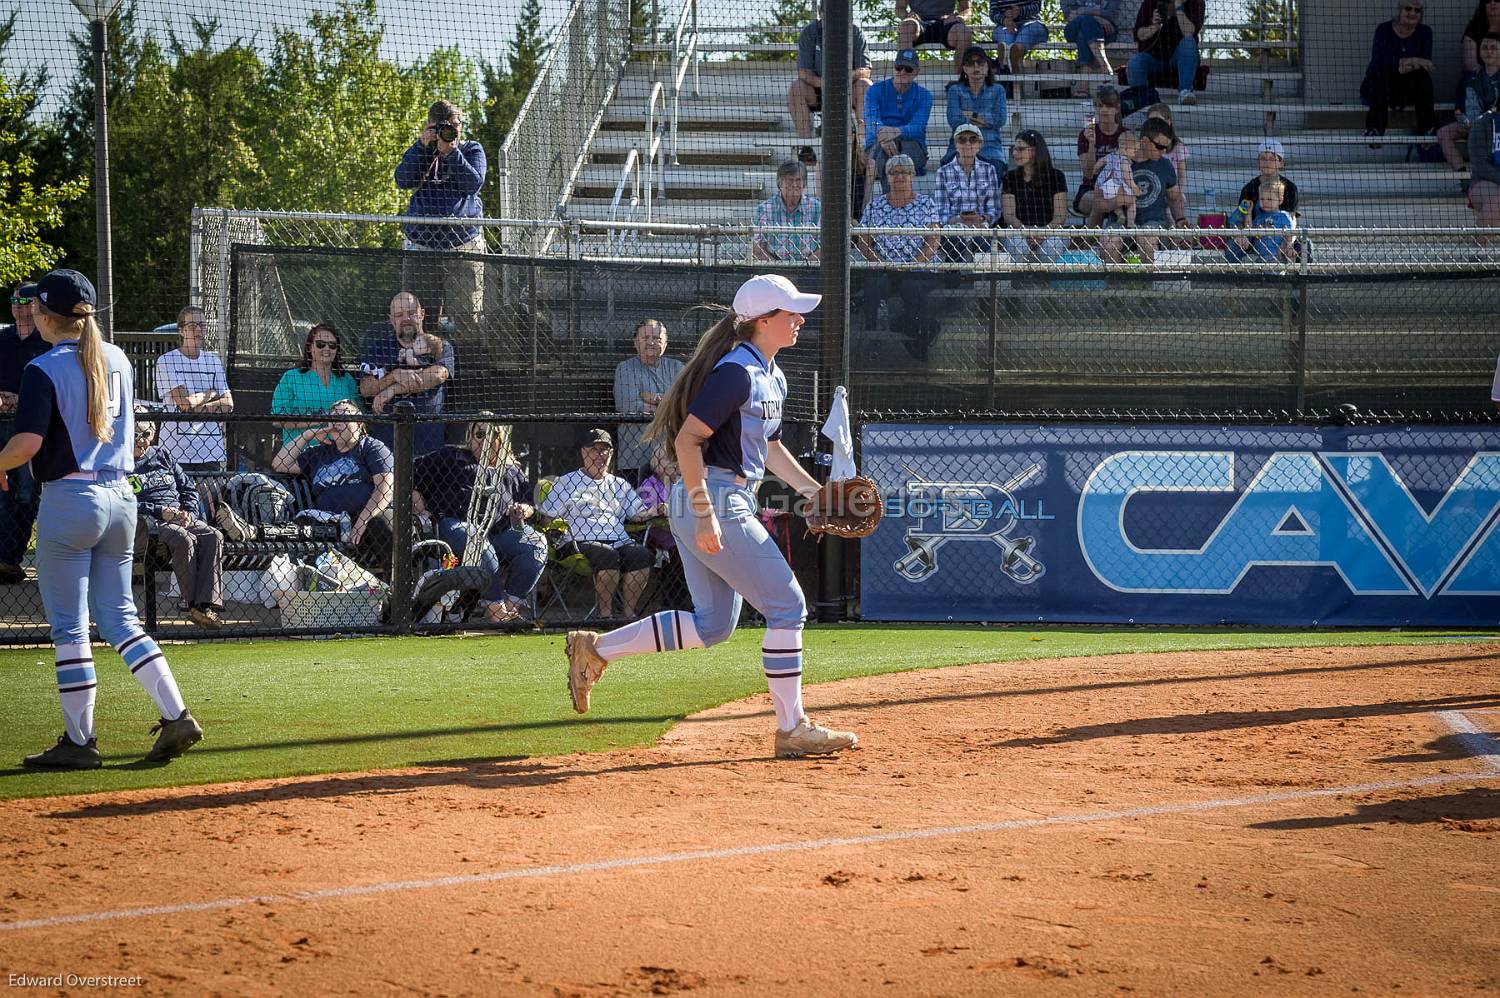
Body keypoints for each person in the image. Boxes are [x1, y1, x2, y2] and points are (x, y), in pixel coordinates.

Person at [562, 274, 858, 760]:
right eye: (790, 313)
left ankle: (595, 649)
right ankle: (792, 728)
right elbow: (687, 442)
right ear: (763, 321)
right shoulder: (736, 372)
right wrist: (705, 515)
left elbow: (772, 447)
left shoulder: (771, 374)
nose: (800, 319)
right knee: (787, 606)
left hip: (714, 498)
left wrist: (815, 492)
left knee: (713, 625)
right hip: (712, 498)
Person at [0, 269, 202, 769]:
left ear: (47, 317)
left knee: (70, 628)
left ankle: (80, 741)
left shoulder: (42, 367)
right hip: (121, 499)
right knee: (121, 620)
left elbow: (27, 445)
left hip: (71, 501)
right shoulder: (118, 358)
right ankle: (177, 714)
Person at [412, 419, 546, 623]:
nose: (486, 440)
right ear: (470, 437)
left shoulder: (512, 469)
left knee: (536, 544)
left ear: (502, 440)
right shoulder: (452, 457)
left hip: (501, 530)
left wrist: (522, 511)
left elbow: (529, 503)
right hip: (457, 525)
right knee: (479, 544)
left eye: (493, 435)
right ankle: (496, 610)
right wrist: (422, 511)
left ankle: (508, 608)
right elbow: (411, 477)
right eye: (480, 434)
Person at [539, 428, 664, 621]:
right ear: (583, 452)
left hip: (618, 540)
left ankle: (628, 615)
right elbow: (546, 517)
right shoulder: (566, 482)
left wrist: (657, 510)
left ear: (611, 453)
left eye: (605, 450)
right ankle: (605, 614)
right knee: (608, 555)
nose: (600, 455)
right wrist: (555, 527)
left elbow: (637, 514)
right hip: (578, 542)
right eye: (594, 449)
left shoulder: (619, 484)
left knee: (642, 556)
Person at [272, 400, 395, 578]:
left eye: (344, 417)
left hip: (368, 517)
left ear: (359, 424)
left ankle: (397, 589)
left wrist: (362, 522)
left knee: (384, 523)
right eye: (333, 418)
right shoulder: (320, 453)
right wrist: (307, 435)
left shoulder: (371, 447)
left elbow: (385, 488)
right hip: (328, 524)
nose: (337, 422)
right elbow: (280, 463)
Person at [395, 99, 486, 339]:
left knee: (467, 317)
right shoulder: (421, 150)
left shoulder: (471, 149)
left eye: (456, 126)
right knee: (419, 317)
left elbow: (473, 183)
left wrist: (452, 153)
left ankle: (468, 372)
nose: (451, 132)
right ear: (430, 126)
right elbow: (403, 180)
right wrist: (422, 146)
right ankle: (423, 369)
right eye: (443, 127)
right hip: (422, 245)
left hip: (463, 245)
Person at [130, 409, 224, 629]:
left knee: (213, 535)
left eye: (145, 434)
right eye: (134, 435)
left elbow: (188, 488)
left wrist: (190, 512)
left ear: (153, 433)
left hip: (178, 517)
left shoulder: (163, 455)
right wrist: (160, 511)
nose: (140, 441)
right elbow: (121, 501)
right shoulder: (118, 462)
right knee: (184, 538)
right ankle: (190, 604)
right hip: (144, 523)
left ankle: (204, 606)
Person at [857, 155, 942, 360]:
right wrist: (882, 263)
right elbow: (863, 242)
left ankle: (916, 340)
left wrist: (913, 264)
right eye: (894, 172)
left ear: (913, 175)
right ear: (887, 177)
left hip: (917, 267)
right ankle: (873, 338)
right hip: (883, 266)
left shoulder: (926, 204)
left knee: (913, 286)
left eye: (904, 172)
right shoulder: (874, 206)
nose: (899, 176)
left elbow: (933, 241)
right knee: (873, 285)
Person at [359, 291, 455, 456]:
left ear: (422, 314)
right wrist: (394, 375)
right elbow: (366, 388)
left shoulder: (438, 345)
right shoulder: (378, 348)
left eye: (411, 313)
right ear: (391, 319)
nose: (406, 319)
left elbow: (437, 375)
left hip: (430, 449)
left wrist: (392, 390)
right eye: (399, 314)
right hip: (385, 450)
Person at [0, 280, 48, 585]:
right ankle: (5, 559)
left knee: (27, 493)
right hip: (1, 424)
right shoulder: (2, 338)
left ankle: (12, 556)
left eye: (27, 302)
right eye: (16, 302)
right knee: (2, 494)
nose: (21, 307)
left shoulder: (45, 341)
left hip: (29, 426)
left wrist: (20, 398)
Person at [1099, 117, 1187, 264]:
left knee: (1146, 236)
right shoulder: (1116, 163)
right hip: (1120, 223)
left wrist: (1180, 219)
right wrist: (1118, 201)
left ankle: (1147, 283)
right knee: (1109, 241)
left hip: (1154, 223)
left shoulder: (1165, 165)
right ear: (1144, 141)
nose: (1164, 151)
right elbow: (1098, 204)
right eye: (1159, 146)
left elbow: (1174, 197)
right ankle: (1116, 284)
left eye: (1166, 147)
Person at [154, 305, 233, 472]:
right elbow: (184, 403)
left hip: (210, 450)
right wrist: (210, 394)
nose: (198, 330)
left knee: (211, 497)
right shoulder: (167, 360)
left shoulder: (214, 362)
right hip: (175, 451)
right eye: (192, 326)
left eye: (202, 325)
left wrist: (199, 405)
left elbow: (228, 403)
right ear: (181, 331)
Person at [790, 16, 873, 165]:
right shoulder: (810, 31)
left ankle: (864, 146)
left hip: (848, 88)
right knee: (797, 87)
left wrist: (846, 78)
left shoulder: (855, 32)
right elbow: (803, 72)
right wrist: (825, 82)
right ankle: (806, 147)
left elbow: (865, 70)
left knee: (865, 85)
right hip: (819, 88)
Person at [614, 319, 686, 485]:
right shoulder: (625, 368)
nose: (651, 342)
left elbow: (685, 404)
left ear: (666, 343)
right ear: (635, 341)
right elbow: (628, 405)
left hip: (672, 461)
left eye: (657, 338)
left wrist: (652, 398)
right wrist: (669, 405)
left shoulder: (678, 368)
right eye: (645, 338)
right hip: (635, 458)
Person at [270, 323, 364, 447]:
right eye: (320, 344)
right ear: (309, 347)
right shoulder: (291, 377)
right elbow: (278, 419)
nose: (327, 349)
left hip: (340, 452)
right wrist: (319, 421)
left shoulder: (347, 380)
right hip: (300, 451)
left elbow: (359, 415)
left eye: (332, 345)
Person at [1360, 0, 1436, 141]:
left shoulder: (1425, 32)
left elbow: (1426, 64)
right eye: (1408, 8)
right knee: (1379, 77)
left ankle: (1427, 130)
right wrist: (1412, 61)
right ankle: (1375, 130)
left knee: (1423, 78)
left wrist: (1404, 62)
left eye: (1417, 10)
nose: (1412, 13)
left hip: (1407, 88)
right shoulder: (1383, 30)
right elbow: (1377, 63)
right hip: (1380, 85)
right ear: (1400, 11)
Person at [865, 49, 934, 191]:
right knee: (886, 155)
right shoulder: (875, 90)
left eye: (908, 69)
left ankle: (888, 205)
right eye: (899, 67)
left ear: (916, 72)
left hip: (913, 146)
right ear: (893, 67)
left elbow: (918, 127)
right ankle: (892, 204)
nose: (902, 72)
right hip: (878, 143)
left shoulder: (924, 95)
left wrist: (895, 132)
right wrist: (884, 135)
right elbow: (872, 121)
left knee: (895, 159)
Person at [1001, 129, 1070, 262]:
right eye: (1014, 149)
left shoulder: (1056, 177)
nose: (1015, 153)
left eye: (1020, 149)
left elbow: (1060, 216)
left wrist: (1043, 233)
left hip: (1051, 230)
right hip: (1018, 230)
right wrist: (1027, 232)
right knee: (1018, 247)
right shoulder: (1010, 178)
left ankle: (1045, 282)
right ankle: (1017, 282)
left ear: (1034, 151)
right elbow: (1009, 216)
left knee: (1051, 248)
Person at [1439, 34, 1500, 182]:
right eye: (1485, 47)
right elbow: (1460, 109)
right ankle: (1464, 177)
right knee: (1443, 133)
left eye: (1493, 48)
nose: (1489, 51)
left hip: (1497, 127)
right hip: (1474, 125)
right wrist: (1467, 122)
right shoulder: (1471, 79)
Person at [935, 123, 1000, 263]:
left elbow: (994, 209)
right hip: (953, 227)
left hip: (981, 226)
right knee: (954, 242)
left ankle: (982, 282)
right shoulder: (943, 172)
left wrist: (981, 219)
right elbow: (941, 212)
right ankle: (954, 282)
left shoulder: (990, 170)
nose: (967, 143)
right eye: (962, 139)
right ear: (955, 144)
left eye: (972, 139)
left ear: (980, 144)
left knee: (982, 241)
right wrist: (958, 220)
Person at [1128, 0, 1205, 104]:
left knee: (1188, 43)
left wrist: (1178, 8)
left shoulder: (1196, 2)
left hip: (1181, 57)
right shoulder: (1150, 3)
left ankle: (1185, 92)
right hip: (1154, 57)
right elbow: (1139, 35)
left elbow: (1189, 32)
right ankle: (1142, 97)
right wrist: (1155, 26)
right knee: (1135, 62)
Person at [943, 46, 1007, 170]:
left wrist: (971, 115)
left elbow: (1000, 120)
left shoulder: (998, 90)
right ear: (964, 68)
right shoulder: (954, 90)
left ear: (987, 67)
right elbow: (954, 120)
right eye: (971, 63)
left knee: (996, 169)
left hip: (990, 148)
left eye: (980, 63)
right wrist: (986, 121)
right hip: (959, 148)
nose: (976, 67)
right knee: (949, 171)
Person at [752, 161, 823, 263]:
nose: (794, 184)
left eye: (798, 180)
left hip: (810, 268)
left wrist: (805, 267)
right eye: (789, 180)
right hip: (773, 268)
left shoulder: (817, 208)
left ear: (804, 183)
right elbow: (757, 247)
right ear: (780, 183)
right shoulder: (765, 209)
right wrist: (777, 268)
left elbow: (826, 246)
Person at [1075, 84, 1125, 219]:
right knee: (1098, 201)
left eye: (1108, 106)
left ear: (1117, 108)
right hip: (1090, 188)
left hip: (1118, 187)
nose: (1103, 110)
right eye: (1099, 106)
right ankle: (1094, 239)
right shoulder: (1086, 134)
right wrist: (1092, 143)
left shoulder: (1125, 135)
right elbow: (1088, 173)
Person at [1224, 178, 1297, 264]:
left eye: (1269, 199)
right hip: (1260, 259)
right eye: (1262, 199)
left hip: (1278, 256)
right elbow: (1249, 229)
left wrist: (1288, 245)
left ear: (1280, 200)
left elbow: (1290, 232)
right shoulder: (1259, 217)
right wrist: (1249, 213)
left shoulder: (1284, 216)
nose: (1265, 202)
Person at [1062, 0, 1124, 97]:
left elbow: (1111, 15)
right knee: (1086, 21)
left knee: (1082, 35)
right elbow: (1069, 16)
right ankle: (1103, 63)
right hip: (1074, 28)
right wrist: (1096, 17)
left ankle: (1084, 88)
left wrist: (1084, 11)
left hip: (1106, 30)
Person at [897, 0, 974, 72]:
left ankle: (960, 80)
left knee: (963, 33)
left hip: (946, 23)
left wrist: (959, 18)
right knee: (906, 26)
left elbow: (967, 9)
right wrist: (907, 15)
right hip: (918, 23)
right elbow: (899, 8)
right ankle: (903, 76)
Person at [1089, 127, 1141, 227]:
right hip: (1116, 183)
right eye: (1134, 151)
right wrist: (1135, 189)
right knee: (1132, 201)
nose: (1136, 153)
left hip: (1105, 185)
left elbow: (1101, 161)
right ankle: (1130, 222)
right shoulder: (1125, 161)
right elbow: (1127, 178)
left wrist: (1095, 170)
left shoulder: (1111, 155)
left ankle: (1120, 215)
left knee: (1115, 203)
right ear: (1125, 149)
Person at [1238, 139, 1299, 215]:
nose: (1267, 162)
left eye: (1272, 159)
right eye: (1263, 158)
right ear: (1258, 162)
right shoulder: (1249, 189)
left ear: (1281, 163)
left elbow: (1292, 218)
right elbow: (1241, 218)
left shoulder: (1290, 188)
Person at [991, 0, 1049, 76]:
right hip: (1004, 26)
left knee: (1017, 45)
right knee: (1006, 43)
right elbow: (993, 12)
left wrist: (1020, 11)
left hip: (1031, 24)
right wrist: (1004, 20)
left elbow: (1037, 6)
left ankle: (1009, 64)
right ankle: (1007, 67)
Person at [1467, 100, 1500, 229]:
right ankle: (1478, 247)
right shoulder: (1481, 124)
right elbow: (1480, 166)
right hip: (1482, 182)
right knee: (1497, 199)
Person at [1146, 102, 1190, 195]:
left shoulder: (1178, 147)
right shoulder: (1145, 145)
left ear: (1168, 122)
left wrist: (1179, 193)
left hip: (1171, 191)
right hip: (1151, 190)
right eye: (1151, 121)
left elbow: (1181, 176)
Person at [1462, 0, 1500, 73]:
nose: (1492, 3)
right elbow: (1469, 64)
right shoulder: (1474, 27)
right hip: (1481, 77)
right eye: (1488, 0)